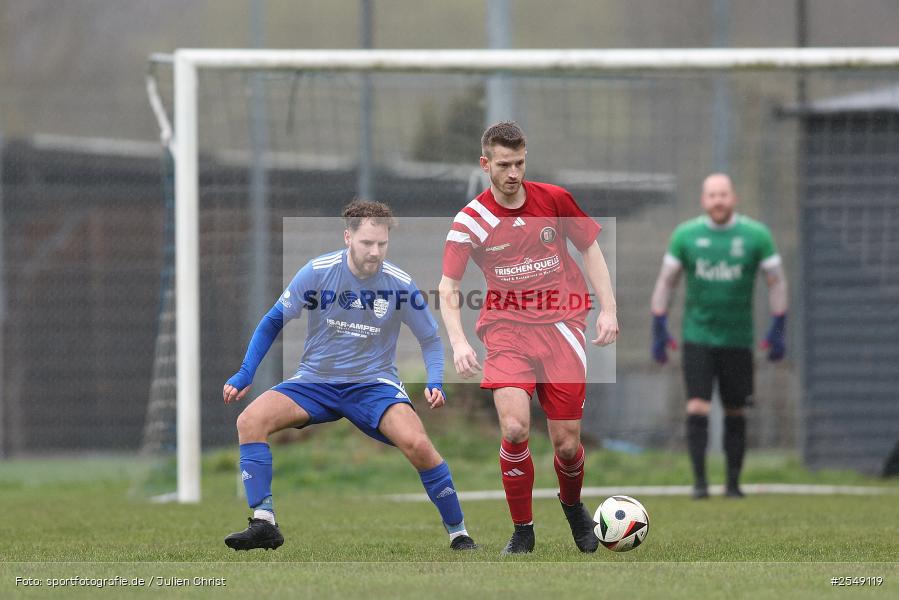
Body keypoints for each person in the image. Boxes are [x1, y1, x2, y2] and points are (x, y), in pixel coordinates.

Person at [223, 200, 476, 552]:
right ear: (347, 237)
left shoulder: (400, 284)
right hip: (315, 382)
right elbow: (272, 321)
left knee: (419, 444)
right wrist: (245, 372)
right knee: (249, 420)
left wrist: (435, 381)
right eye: (367, 243)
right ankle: (264, 522)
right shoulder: (317, 271)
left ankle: (459, 533)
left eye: (382, 244)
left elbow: (431, 339)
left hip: (374, 386)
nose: (375, 252)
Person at [439, 121, 619, 555]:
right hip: (506, 330)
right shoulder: (471, 221)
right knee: (516, 428)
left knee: (567, 443)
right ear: (486, 164)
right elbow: (448, 286)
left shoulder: (554, 200)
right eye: (504, 164)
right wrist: (460, 342)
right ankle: (523, 530)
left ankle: (573, 506)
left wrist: (609, 309)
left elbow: (590, 249)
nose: (513, 173)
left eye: (519, 162)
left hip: (563, 325)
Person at [650, 173, 788, 499]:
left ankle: (733, 484)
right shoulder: (686, 235)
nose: (718, 201)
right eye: (712, 195)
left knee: (735, 409)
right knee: (697, 406)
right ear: (703, 200)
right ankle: (699, 484)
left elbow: (777, 281)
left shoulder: (756, 235)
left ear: (733, 197)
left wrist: (779, 325)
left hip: (738, 339)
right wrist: (659, 324)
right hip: (697, 336)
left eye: (723, 194)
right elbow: (666, 281)